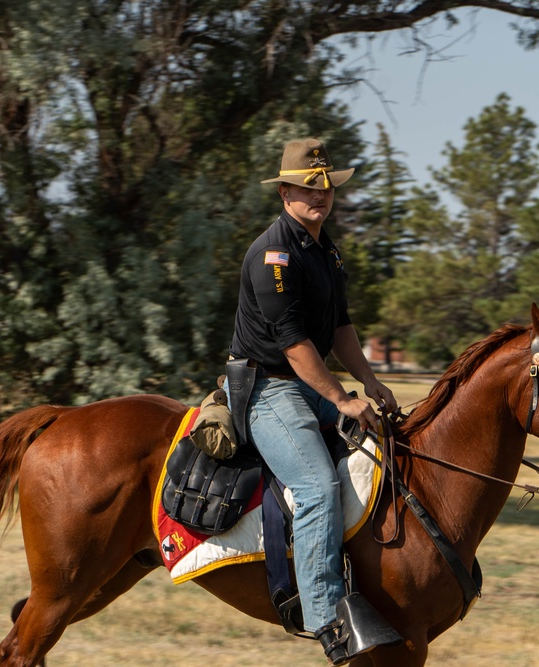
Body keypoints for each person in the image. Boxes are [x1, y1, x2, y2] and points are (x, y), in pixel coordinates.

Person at [226, 138, 400, 665]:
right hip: (269, 387)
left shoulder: (326, 251)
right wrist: (342, 399)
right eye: (307, 186)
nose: (319, 195)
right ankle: (325, 616)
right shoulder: (272, 254)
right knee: (318, 485)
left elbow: (342, 328)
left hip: (311, 379)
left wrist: (370, 384)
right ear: (284, 192)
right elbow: (295, 345)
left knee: (394, 439)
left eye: (325, 185)